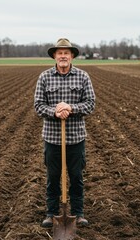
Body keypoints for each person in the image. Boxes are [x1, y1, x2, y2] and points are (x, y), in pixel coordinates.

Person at [34, 38, 95, 228]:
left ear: (72, 56)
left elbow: (90, 104)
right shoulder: (44, 77)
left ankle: (77, 213)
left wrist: (71, 108)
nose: (63, 56)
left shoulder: (83, 76)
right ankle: (51, 213)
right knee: (53, 177)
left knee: (76, 177)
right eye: (59, 53)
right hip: (52, 138)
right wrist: (55, 111)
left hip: (76, 138)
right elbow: (38, 106)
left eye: (66, 53)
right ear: (54, 56)